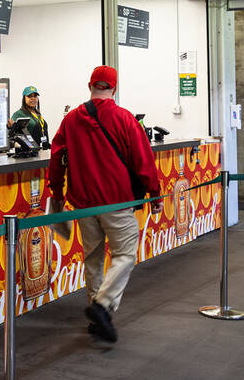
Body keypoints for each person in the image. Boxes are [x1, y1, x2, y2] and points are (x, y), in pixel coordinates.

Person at [46, 65, 161, 343]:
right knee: (125, 255)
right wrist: (154, 192)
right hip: (117, 202)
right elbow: (142, 160)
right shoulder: (124, 118)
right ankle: (102, 304)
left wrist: (57, 193)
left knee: (93, 258)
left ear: (89, 85)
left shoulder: (71, 119)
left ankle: (98, 318)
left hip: (84, 203)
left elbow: (56, 156)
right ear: (114, 87)